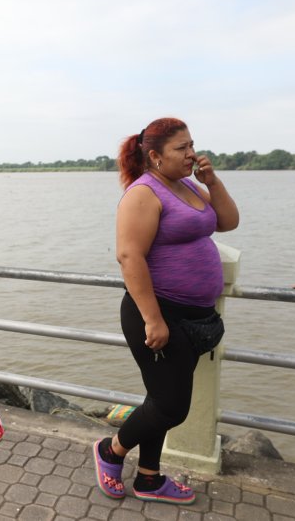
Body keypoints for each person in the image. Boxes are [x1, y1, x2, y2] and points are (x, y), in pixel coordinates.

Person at [92, 117, 239, 505]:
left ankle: (149, 478)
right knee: (172, 406)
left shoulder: (188, 186)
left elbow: (228, 222)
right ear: (155, 156)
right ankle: (111, 451)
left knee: (159, 399)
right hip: (157, 314)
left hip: (192, 316)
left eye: (192, 145)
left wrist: (213, 182)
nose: (192, 153)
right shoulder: (143, 194)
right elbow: (129, 256)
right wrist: (154, 320)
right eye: (181, 148)